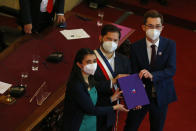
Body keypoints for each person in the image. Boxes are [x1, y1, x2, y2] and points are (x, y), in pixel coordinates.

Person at [124, 9, 177, 131]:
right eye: (150, 26)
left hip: (161, 95)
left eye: (158, 26)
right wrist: (133, 98)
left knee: (157, 128)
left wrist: (152, 75)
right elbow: (132, 72)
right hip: (140, 95)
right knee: (130, 126)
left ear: (162, 28)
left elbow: (171, 70)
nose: (154, 30)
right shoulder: (135, 47)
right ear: (143, 27)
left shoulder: (170, 45)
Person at [63, 48, 129, 131]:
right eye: (88, 62)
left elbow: (93, 101)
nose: (93, 64)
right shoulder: (76, 85)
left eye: (94, 61)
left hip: (91, 123)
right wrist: (115, 107)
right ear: (79, 64)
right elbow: (91, 109)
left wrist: (112, 98)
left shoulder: (90, 78)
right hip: (78, 126)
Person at [93, 24, 132, 131]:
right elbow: (88, 86)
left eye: (115, 40)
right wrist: (113, 81)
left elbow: (128, 82)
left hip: (114, 110)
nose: (112, 43)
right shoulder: (90, 59)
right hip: (95, 107)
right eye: (108, 39)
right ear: (100, 38)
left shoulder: (124, 60)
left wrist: (135, 98)